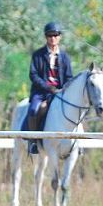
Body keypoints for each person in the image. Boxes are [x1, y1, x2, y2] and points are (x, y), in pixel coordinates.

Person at [25, 22, 74, 154]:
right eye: (49, 35)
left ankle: (77, 143)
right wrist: (48, 87)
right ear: (46, 37)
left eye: (55, 35)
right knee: (34, 110)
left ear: (60, 37)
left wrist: (64, 89)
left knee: (76, 110)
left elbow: (69, 76)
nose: (53, 38)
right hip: (41, 92)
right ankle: (33, 142)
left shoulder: (65, 57)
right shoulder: (38, 55)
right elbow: (33, 75)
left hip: (59, 92)